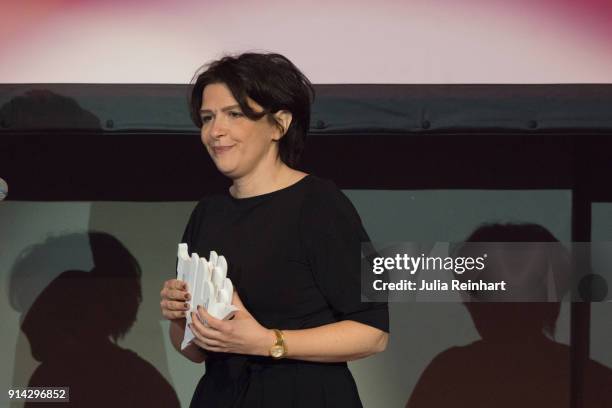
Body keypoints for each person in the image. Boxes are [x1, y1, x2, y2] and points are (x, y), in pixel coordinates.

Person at [159, 52, 389, 408]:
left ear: (279, 124)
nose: (215, 131)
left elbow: (372, 334)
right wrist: (181, 319)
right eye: (207, 118)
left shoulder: (320, 204)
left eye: (234, 114)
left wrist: (267, 341)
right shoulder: (208, 213)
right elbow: (196, 352)